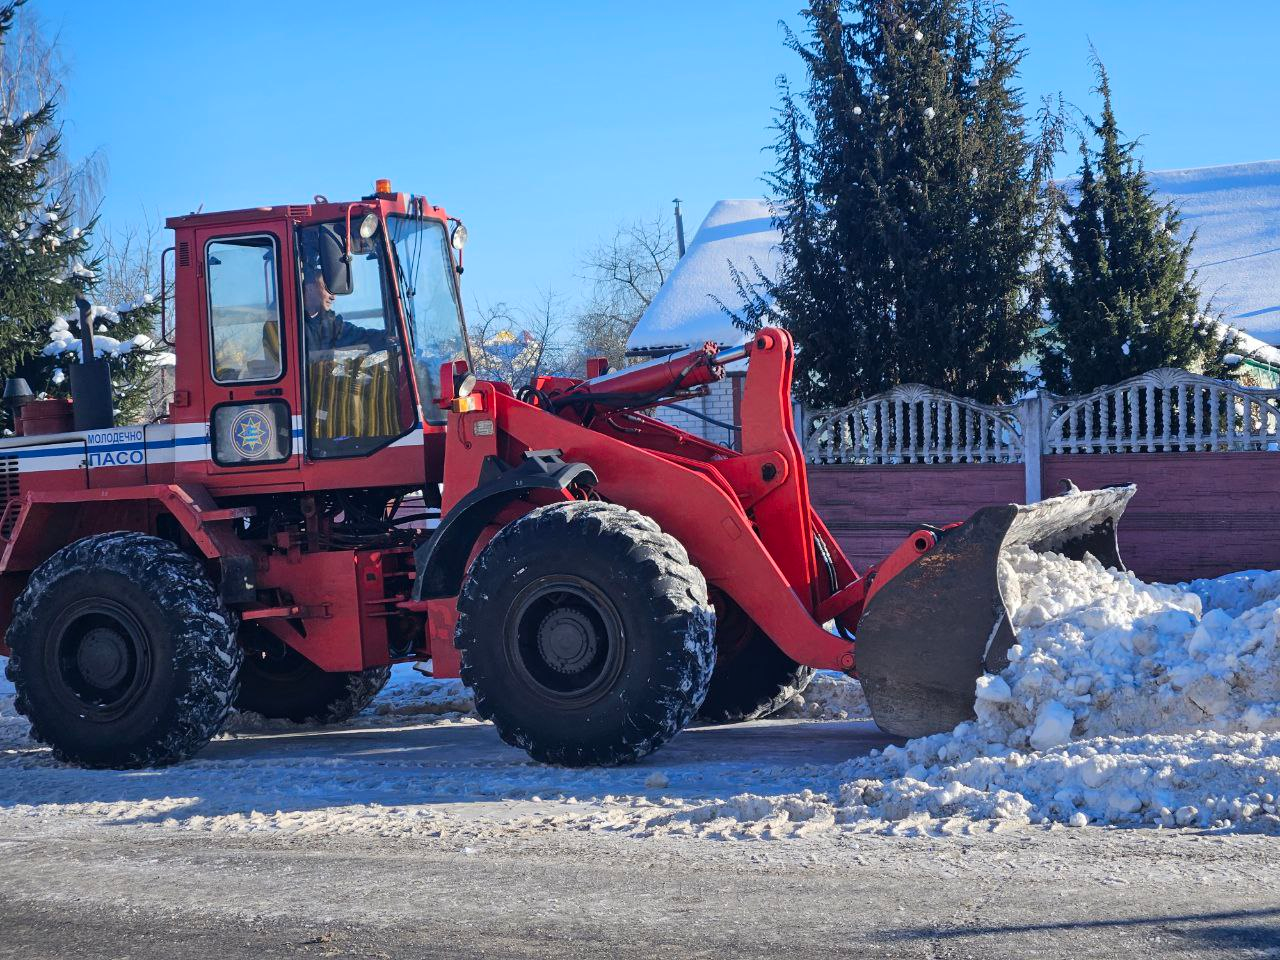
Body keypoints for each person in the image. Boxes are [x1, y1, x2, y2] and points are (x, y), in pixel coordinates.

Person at [301, 270, 386, 352]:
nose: (333, 297)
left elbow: (364, 337)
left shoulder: (333, 326)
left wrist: (389, 337)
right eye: (328, 289)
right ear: (310, 288)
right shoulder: (292, 320)